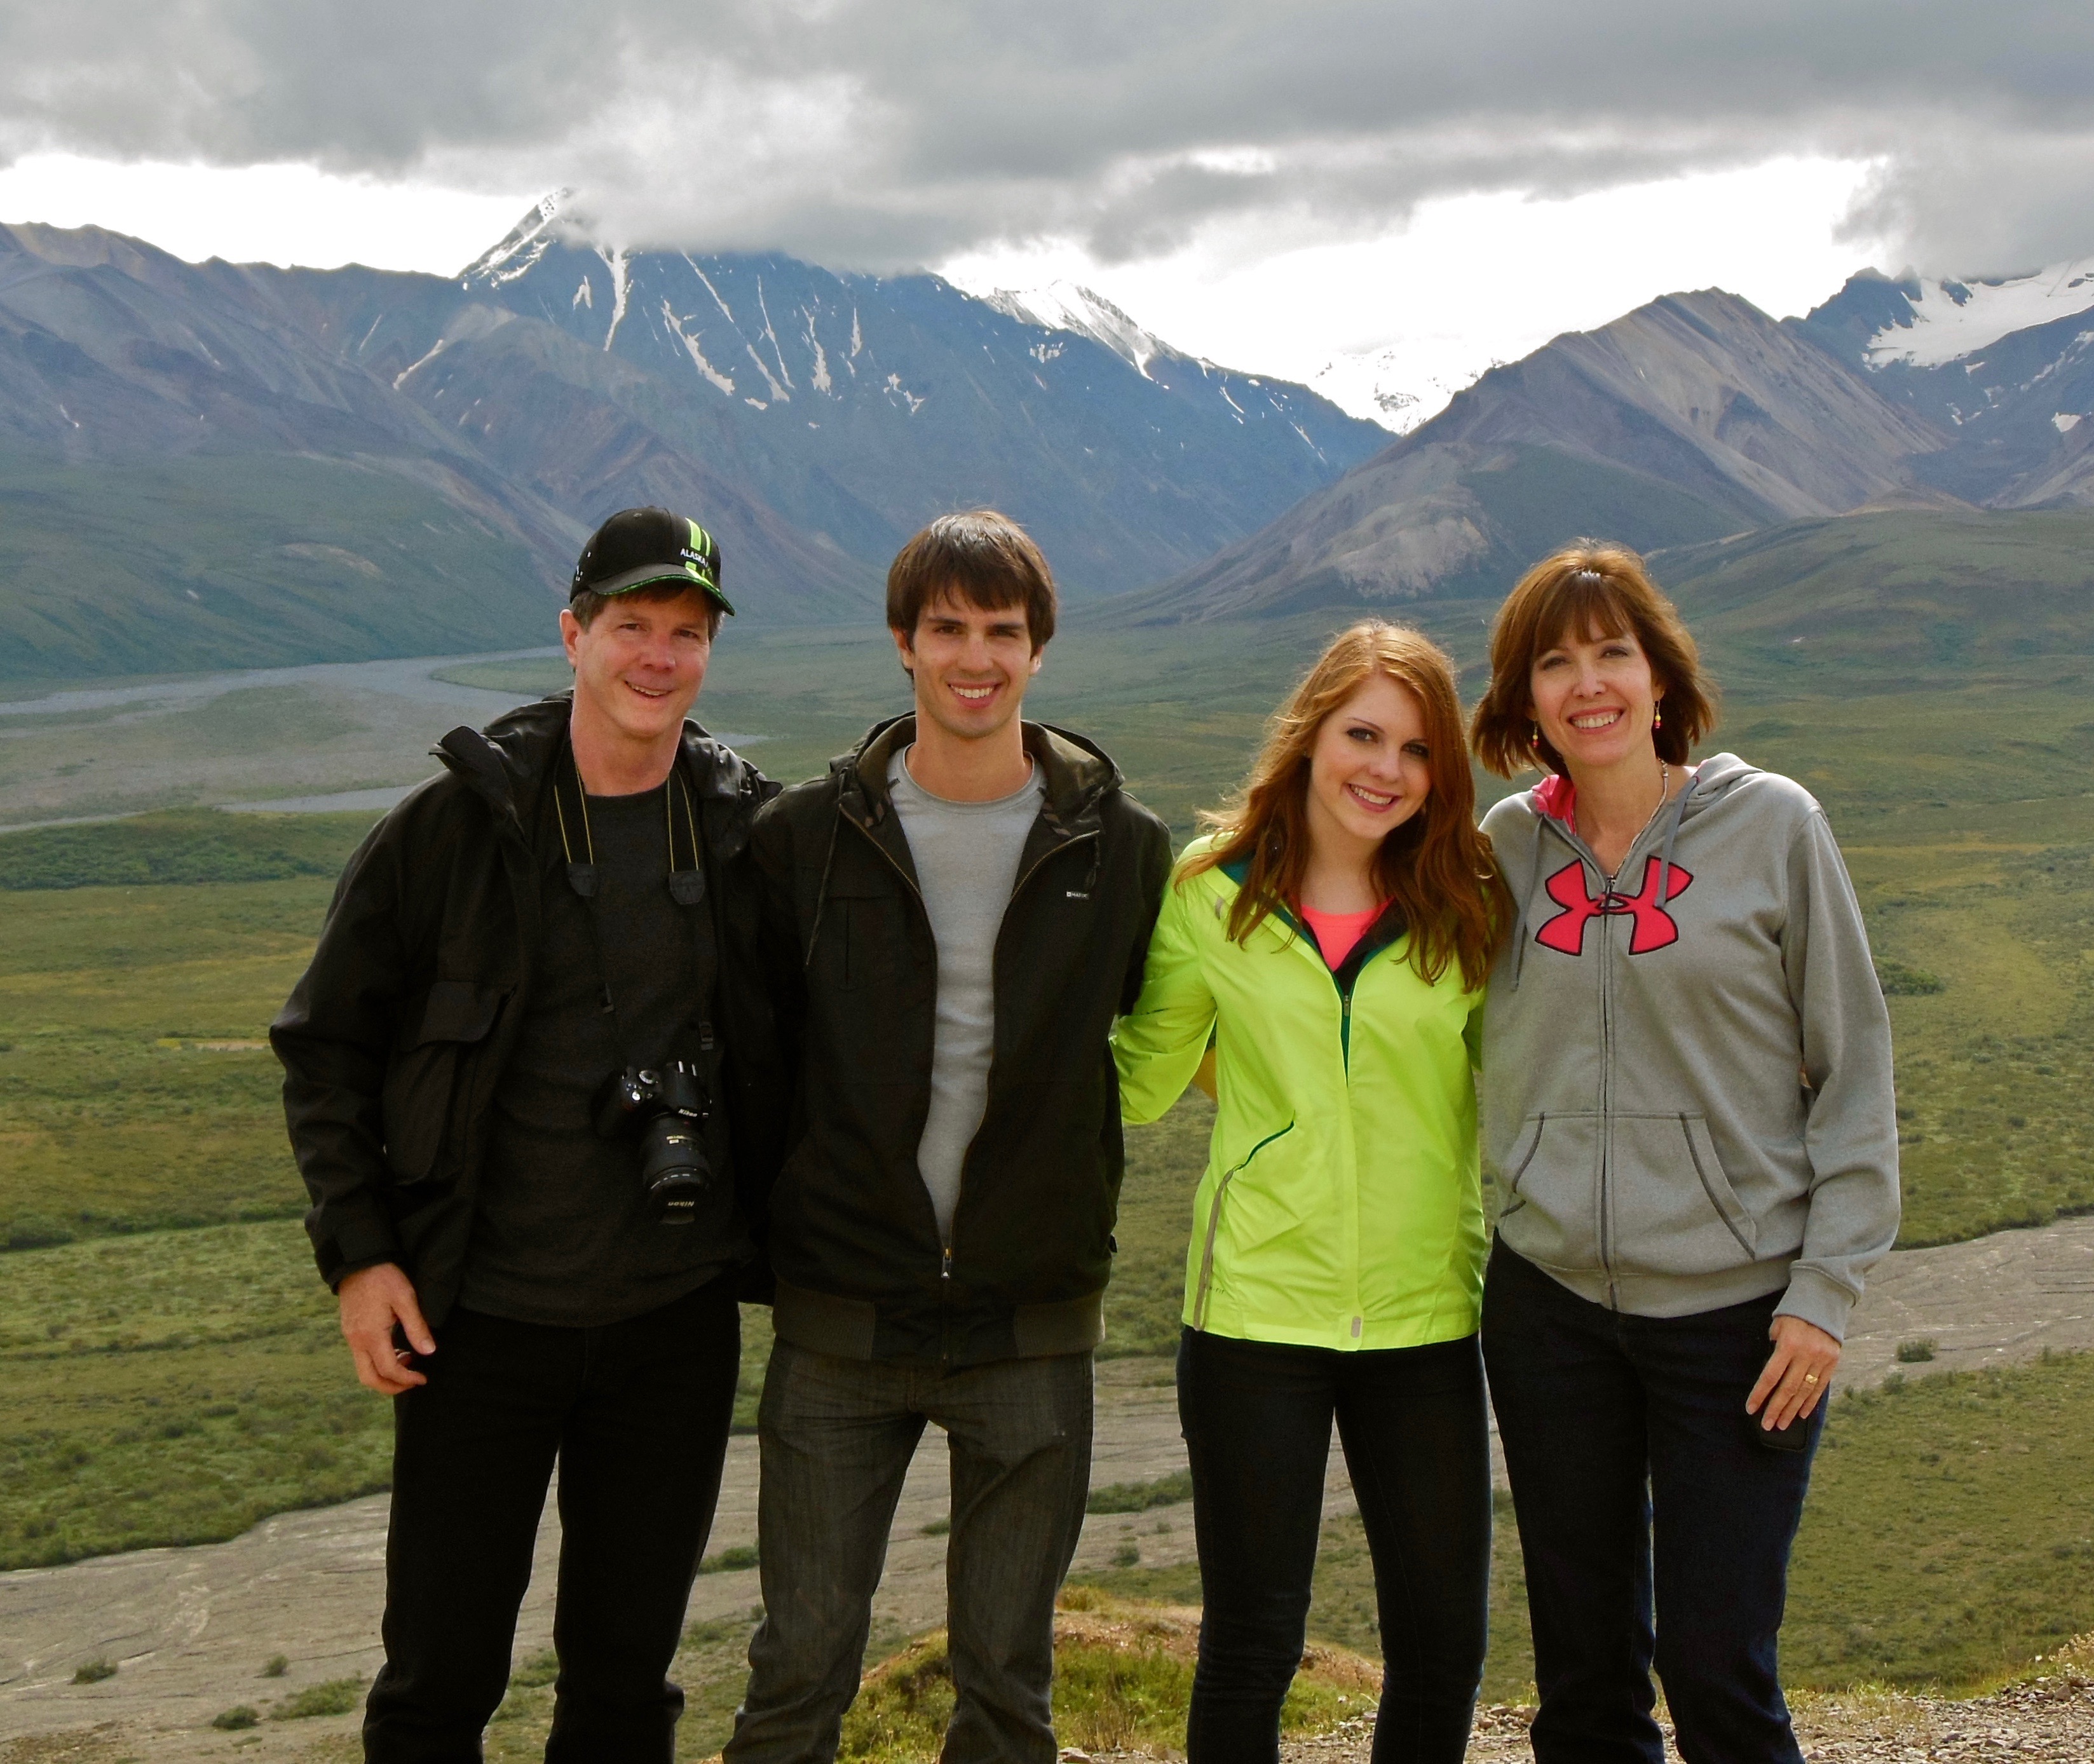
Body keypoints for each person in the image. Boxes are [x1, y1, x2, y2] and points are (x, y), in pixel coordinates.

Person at [273, 506, 784, 1762]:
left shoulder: (743, 833)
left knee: (625, 1684)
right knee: (440, 1677)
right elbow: (325, 1042)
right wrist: (359, 1253)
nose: (657, 657)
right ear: (571, 634)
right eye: (630, 626)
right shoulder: (452, 828)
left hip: (670, 1327)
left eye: (685, 632)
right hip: (477, 1319)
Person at [725, 510, 1174, 1764]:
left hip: (1027, 1315)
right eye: (946, 628)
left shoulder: (1121, 846)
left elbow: (1155, 1028)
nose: (973, 656)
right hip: (841, 1318)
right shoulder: (802, 840)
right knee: (798, 1665)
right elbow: (757, 1066)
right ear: (901, 642)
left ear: (1037, 650)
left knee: (1007, 1685)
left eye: (1001, 630)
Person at [1467, 543, 1900, 1764]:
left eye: (1613, 652)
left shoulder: (1774, 826)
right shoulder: (1504, 848)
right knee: (1586, 1686)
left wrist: (1824, 1297)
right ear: (1525, 698)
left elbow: (1856, 1072)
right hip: (1550, 1309)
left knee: (1720, 1672)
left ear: (1662, 676)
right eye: (1554, 662)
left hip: (1741, 1320)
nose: (1586, 683)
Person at [1112, 623, 1509, 1764]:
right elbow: (1139, 1082)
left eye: (1418, 749)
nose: (1386, 769)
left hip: (1428, 1315)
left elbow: (1537, 1083)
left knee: (1442, 1647)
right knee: (1253, 1643)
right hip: (1251, 1322)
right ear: (1312, 735)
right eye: (1364, 735)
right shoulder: (1209, 896)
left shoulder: (1467, 900)